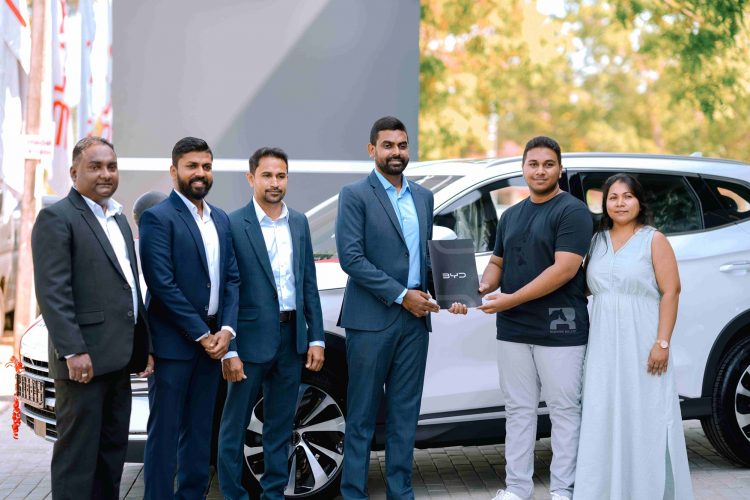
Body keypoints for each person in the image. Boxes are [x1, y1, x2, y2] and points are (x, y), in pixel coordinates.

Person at [32, 136, 153, 500]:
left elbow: (129, 287)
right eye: (95, 167)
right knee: (77, 460)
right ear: (74, 172)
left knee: (110, 457)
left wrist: (143, 345)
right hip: (82, 362)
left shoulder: (117, 217)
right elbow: (53, 292)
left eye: (111, 167)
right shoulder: (57, 218)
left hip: (119, 360)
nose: (105, 174)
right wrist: (73, 350)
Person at [476, 136, 592, 500]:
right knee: (518, 411)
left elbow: (564, 269)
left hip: (560, 327)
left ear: (560, 169)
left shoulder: (572, 211)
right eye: (533, 164)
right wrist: (480, 288)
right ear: (523, 168)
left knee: (563, 410)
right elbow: (497, 262)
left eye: (548, 164)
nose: (540, 171)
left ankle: (563, 491)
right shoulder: (511, 215)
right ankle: (517, 489)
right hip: (513, 328)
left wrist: (509, 299)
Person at [336, 116, 440, 499]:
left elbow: (424, 257)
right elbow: (351, 258)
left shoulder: (424, 197)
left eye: (402, 145)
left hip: (415, 322)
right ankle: (353, 493)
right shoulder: (355, 194)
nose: (396, 152)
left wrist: (446, 293)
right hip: (370, 320)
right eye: (388, 145)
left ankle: (401, 493)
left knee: (405, 415)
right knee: (362, 415)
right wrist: (401, 295)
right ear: (372, 150)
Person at [574, 174, 693, 499]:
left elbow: (671, 291)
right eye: (613, 197)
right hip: (603, 346)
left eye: (627, 196)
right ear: (605, 204)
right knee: (604, 413)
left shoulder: (653, 240)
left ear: (639, 201)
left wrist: (662, 343)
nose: (620, 203)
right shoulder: (596, 242)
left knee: (645, 416)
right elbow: (583, 287)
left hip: (643, 341)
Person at [218, 147, 325, 499]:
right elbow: (228, 289)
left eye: (281, 175)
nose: (274, 182)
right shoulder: (233, 223)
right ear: (251, 178)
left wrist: (316, 338)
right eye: (267, 175)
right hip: (248, 341)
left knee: (280, 425)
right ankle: (233, 495)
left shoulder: (299, 222)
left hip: (291, 339)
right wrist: (229, 349)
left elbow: (308, 283)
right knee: (234, 425)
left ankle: (274, 494)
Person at [140, 136, 240, 499]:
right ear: (174, 171)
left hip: (213, 346)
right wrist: (201, 333)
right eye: (192, 166)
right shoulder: (157, 218)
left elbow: (232, 278)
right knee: (165, 435)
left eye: (206, 166)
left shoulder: (221, 219)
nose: (201, 173)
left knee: (200, 434)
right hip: (174, 346)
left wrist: (226, 330)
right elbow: (161, 284)